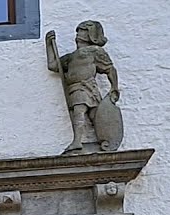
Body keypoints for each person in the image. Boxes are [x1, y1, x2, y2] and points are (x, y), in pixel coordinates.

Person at [46, 21, 120, 154]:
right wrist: (49, 45)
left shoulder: (95, 51)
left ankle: (100, 141)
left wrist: (114, 87)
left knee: (94, 115)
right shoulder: (71, 57)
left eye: (83, 31)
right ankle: (78, 141)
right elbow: (53, 65)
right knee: (79, 111)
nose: (79, 34)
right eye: (79, 31)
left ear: (91, 35)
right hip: (76, 88)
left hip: (89, 87)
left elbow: (109, 69)